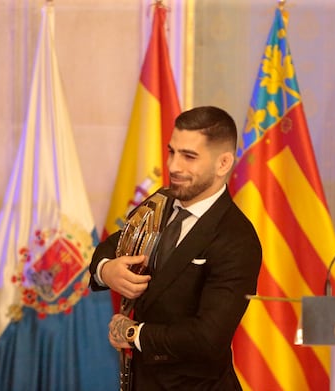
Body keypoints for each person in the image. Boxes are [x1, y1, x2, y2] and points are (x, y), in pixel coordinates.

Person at [89, 106, 262, 391]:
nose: (173, 166)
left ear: (223, 163)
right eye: (172, 152)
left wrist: (133, 333)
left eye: (189, 156)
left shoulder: (238, 239)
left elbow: (207, 339)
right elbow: (112, 245)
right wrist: (106, 270)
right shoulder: (161, 200)